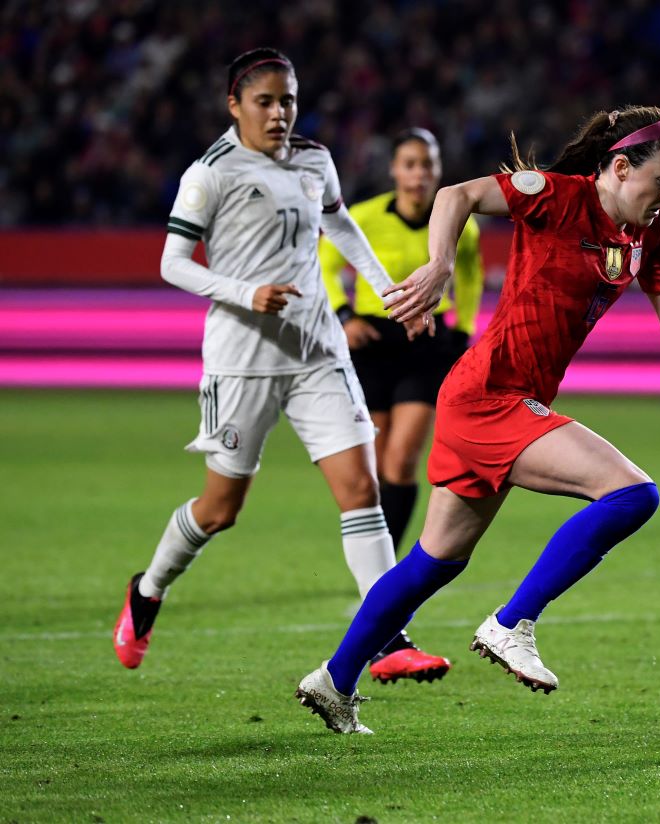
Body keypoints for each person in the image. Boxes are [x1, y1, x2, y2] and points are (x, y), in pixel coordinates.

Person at [294, 105, 660, 734]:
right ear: (620, 168)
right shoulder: (559, 197)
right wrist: (437, 265)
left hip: (496, 398)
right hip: (493, 393)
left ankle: (333, 679)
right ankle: (513, 622)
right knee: (631, 494)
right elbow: (457, 194)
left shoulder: (646, 231)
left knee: (435, 562)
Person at [112, 48, 432, 674]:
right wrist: (244, 292)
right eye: (265, 101)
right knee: (220, 510)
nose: (280, 112)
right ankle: (147, 589)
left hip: (318, 351)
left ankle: (387, 640)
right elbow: (171, 263)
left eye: (288, 99)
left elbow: (339, 227)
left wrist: (390, 291)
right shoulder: (209, 173)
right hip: (242, 359)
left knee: (362, 491)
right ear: (235, 106)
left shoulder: (315, 159)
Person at [319, 127, 484, 683]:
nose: (419, 174)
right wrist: (345, 314)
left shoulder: (457, 222)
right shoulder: (363, 215)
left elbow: (469, 274)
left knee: (402, 458)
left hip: (423, 345)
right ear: (394, 169)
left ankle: (382, 579)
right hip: (373, 343)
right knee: (377, 456)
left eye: (428, 165)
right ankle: (382, 573)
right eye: (410, 164)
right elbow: (324, 259)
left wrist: (464, 323)